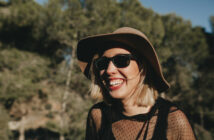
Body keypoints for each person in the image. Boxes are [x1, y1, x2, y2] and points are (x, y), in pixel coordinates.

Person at [76, 27, 196, 140]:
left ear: (142, 67)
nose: (109, 70)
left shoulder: (173, 120)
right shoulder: (98, 116)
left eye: (121, 60)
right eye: (102, 63)